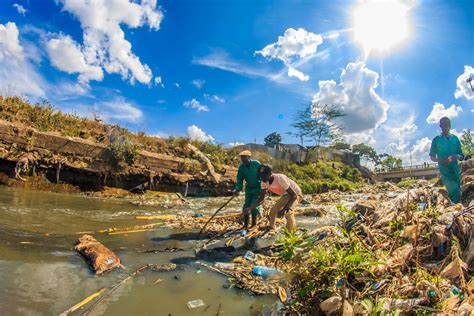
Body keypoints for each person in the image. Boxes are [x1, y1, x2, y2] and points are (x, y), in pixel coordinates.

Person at [244, 164, 303, 232]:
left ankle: (291, 234)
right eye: (261, 176)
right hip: (285, 195)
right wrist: (250, 208)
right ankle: (271, 227)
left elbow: (294, 196)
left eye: (264, 176)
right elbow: (261, 199)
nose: (262, 178)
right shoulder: (264, 182)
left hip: (296, 194)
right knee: (273, 210)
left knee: (288, 212)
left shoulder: (280, 178)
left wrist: (283, 210)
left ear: (270, 174)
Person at [429, 117, 464, 204]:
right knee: (454, 190)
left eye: (447, 124)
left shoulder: (455, 139)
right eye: (444, 124)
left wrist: (457, 156)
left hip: (455, 169)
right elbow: (432, 157)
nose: (446, 126)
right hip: (445, 171)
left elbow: (462, 156)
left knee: (457, 190)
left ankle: (456, 207)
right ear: (440, 126)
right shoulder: (437, 140)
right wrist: (442, 160)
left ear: (450, 125)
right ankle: (455, 207)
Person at [233, 150, 261, 229]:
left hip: (258, 187)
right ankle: (245, 225)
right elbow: (239, 179)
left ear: (249, 157)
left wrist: (264, 187)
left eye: (244, 157)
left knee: (254, 205)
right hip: (248, 188)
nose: (242, 159)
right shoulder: (241, 167)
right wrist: (237, 189)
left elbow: (262, 174)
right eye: (241, 157)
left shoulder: (256, 164)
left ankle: (254, 224)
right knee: (246, 205)